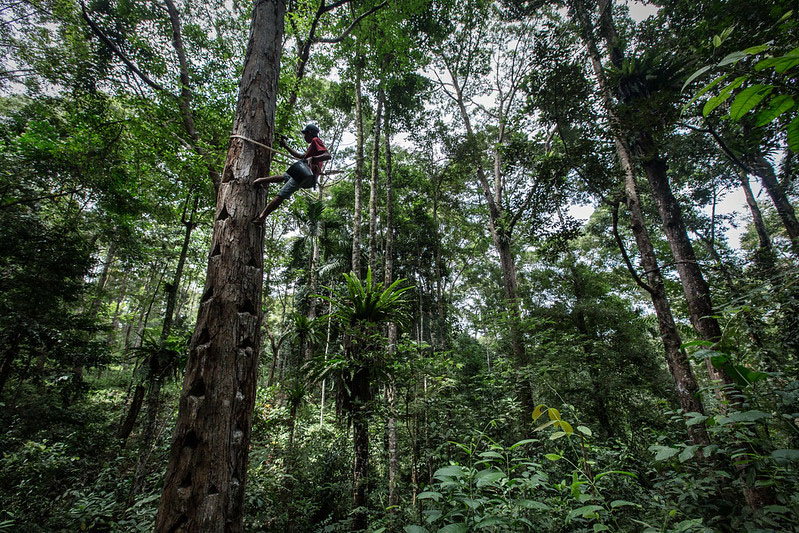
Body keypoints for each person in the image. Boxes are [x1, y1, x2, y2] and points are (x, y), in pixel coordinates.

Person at [253, 124, 331, 222]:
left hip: (306, 175)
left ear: (310, 133)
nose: (304, 137)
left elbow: (327, 155)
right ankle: (259, 181)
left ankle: (261, 217)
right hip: (303, 173)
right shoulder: (312, 147)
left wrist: (314, 158)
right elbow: (300, 156)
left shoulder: (316, 140)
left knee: (282, 194)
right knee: (284, 176)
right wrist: (286, 146)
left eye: (305, 134)